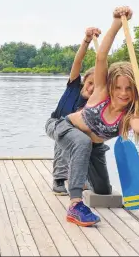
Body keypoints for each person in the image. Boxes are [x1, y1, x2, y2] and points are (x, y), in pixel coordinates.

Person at [49, 6, 139, 227]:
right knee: (81, 142)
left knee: (103, 191)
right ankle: (76, 204)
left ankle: (87, 183)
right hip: (63, 127)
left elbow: (136, 125)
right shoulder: (100, 93)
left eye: (129, 89)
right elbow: (101, 56)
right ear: (111, 86)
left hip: (93, 147)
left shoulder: (129, 116)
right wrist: (117, 23)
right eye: (118, 87)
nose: (123, 93)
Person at [45, 26, 101, 196]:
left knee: (87, 141)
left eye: (96, 86)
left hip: (76, 131)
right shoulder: (74, 86)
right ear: (84, 81)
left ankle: (82, 178)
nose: (91, 89)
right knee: (64, 131)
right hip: (55, 123)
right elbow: (78, 62)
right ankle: (60, 178)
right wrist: (87, 40)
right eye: (90, 83)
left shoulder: (96, 102)